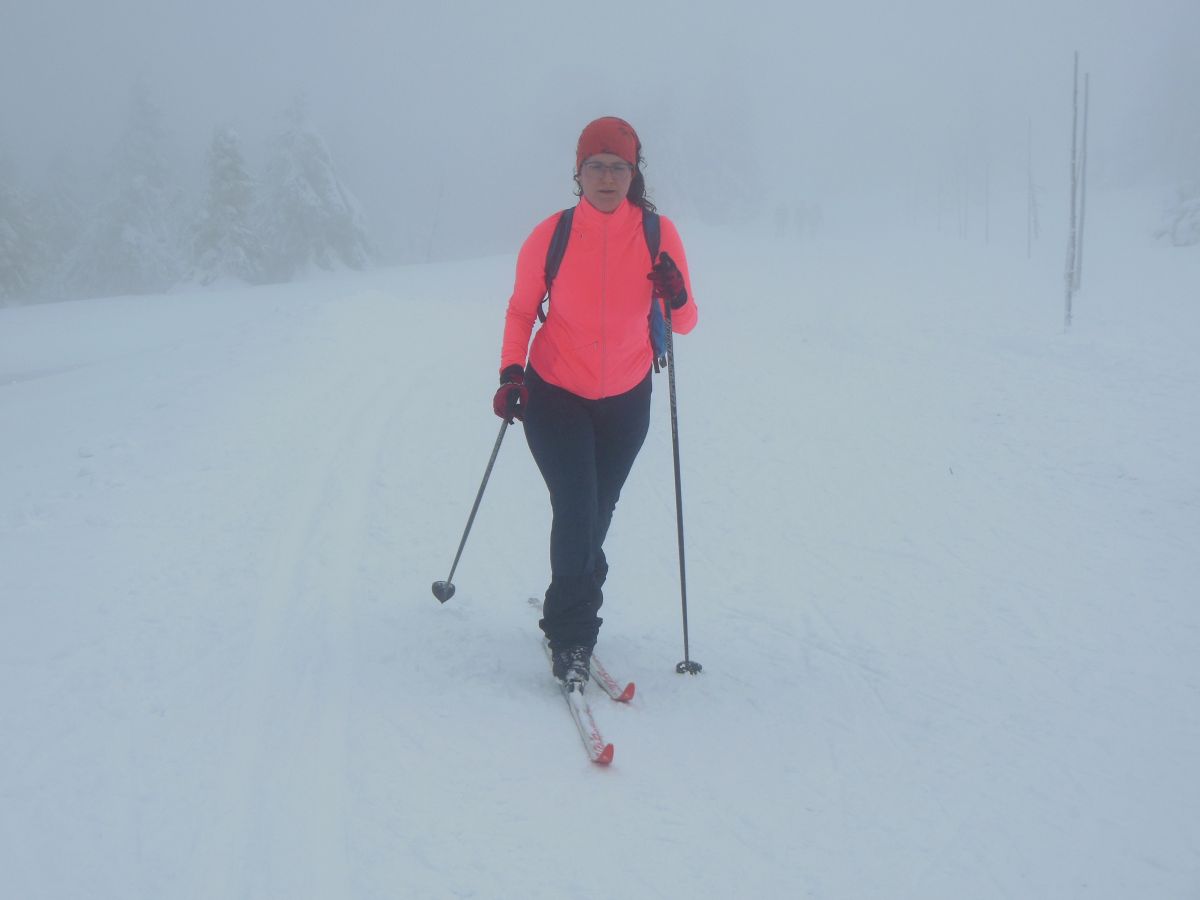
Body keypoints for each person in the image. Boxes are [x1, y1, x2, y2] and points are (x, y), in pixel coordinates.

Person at [493, 116, 698, 689]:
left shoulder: (658, 234)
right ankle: (572, 637)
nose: (607, 178)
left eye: (618, 168)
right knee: (578, 508)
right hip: (555, 392)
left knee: (595, 516)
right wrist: (511, 373)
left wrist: (676, 294)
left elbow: (685, 322)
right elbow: (520, 310)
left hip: (626, 400)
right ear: (578, 173)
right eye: (596, 167)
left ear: (633, 174)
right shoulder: (552, 235)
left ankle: (571, 592)